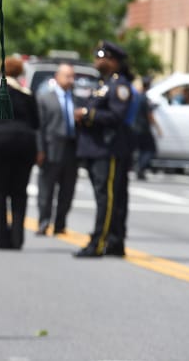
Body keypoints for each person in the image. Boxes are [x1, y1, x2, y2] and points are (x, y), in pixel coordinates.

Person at [73, 40, 133, 258]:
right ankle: (114, 242)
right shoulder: (104, 84)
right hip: (96, 149)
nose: (97, 60)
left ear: (114, 61)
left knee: (106, 199)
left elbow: (116, 117)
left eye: (102, 56)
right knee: (110, 198)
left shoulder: (120, 86)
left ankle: (99, 243)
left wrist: (86, 115)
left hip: (109, 150)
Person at [0, 55, 39, 250]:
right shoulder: (28, 95)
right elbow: (36, 123)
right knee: (20, 193)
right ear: (20, 72)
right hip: (25, 145)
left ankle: (1, 238)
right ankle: (17, 238)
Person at [35, 63, 78, 235]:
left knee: (67, 190)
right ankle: (44, 222)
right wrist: (40, 150)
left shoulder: (76, 99)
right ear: (57, 77)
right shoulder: (45, 98)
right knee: (46, 188)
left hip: (71, 148)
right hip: (51, 148)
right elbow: (39, 127)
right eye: (67, 76)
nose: (70, 80)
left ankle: (60, 223)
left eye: (72, 76)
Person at [132, 77, 161, 180]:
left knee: (141, 150)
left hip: (135, 127)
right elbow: (150, 115)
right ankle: (140, 168)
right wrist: (158, 128)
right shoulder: (144, 98)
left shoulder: (137, 96)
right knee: (150, 150)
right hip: (143, 128)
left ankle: (139, 169)